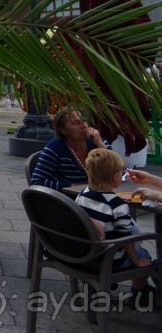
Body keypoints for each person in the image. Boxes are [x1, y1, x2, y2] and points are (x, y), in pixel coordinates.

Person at [75, 148, 155, 310]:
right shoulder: (117, 205)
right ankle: (139, 293)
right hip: (110, 259)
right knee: (144, 256)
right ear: (116, 177)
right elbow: (125, 237)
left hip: (87, 254)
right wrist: (136, 260)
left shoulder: (82, 195)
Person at [30, 107, 110, 191]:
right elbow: (37, 181)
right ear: (63, 130)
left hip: (99, 195)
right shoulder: (55, 148)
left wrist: (100, 144)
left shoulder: (97, 141)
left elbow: (118, 172)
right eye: (76, 123)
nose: (84, 125)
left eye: (84, 121)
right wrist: (72, 187)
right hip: (68, 197)